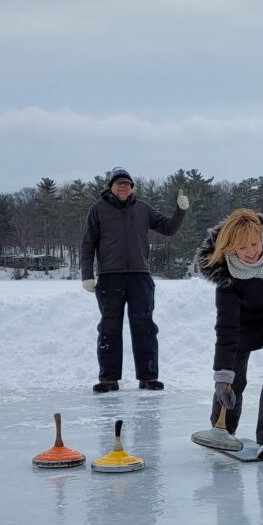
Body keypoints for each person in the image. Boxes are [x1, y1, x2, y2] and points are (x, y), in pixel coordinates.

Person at [193, 208, 263, 459]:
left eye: (254, 244)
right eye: (242, 248)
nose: (251, 252)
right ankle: (221, 429)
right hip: (242, 325)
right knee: (233, 380)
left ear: (261, 235)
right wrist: (222, 375)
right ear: (230, 248)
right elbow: (226, 327)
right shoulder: (226, 275)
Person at [80, 167, 188, 392]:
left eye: (127, 184)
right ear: (110, 187)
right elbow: (87, 244)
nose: (123, 186)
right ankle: (108, 378)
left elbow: (168, 228)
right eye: (119, 183)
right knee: (109, 328)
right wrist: (87, 275)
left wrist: (181, 210)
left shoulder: (143, 209)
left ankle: (148, 376)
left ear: (132, 188)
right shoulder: (98, 209)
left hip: (140, 277)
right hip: (110, 278)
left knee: (145, 327)